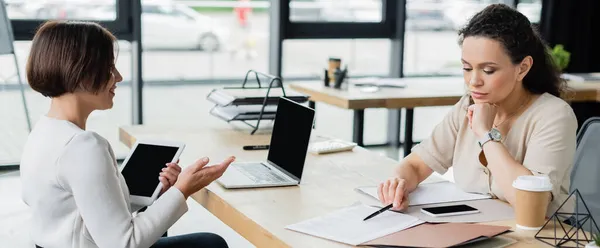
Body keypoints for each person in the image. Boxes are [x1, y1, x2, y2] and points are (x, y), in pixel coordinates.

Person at [20, 21, 234, 248]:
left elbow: (87, 211)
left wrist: (159, 192)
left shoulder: (43, 131)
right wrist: (183, 189)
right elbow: (123, 244)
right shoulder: (83, 146)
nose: (118, 77)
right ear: (81, 72)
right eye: (110, 68)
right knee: (210, 244)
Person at [378, 4, 577, 216]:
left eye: (488, 70)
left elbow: (530, 203)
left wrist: (486, 135)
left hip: (539, 237)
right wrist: (398, 183)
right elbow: (416, 166)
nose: (473, 81)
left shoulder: (553, 115)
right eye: (466, 68)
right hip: (479, 230)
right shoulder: (467, 106)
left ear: (523, 68)